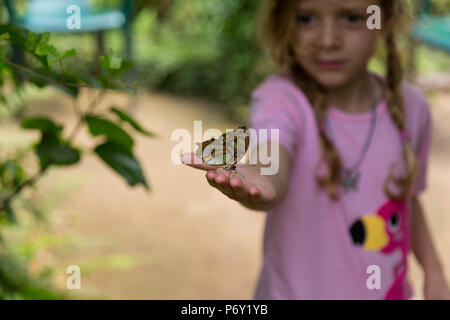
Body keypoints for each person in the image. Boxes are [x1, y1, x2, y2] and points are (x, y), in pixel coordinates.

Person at [181, 0, 450, 299]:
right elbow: (272, 151)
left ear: (384, 20)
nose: (327, 40)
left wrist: (434, 270)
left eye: (350, 17)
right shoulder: (279, 99)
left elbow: (406, 200)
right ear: (284, 22)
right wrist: (261, 175)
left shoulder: (412, 108)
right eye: (306, 18)